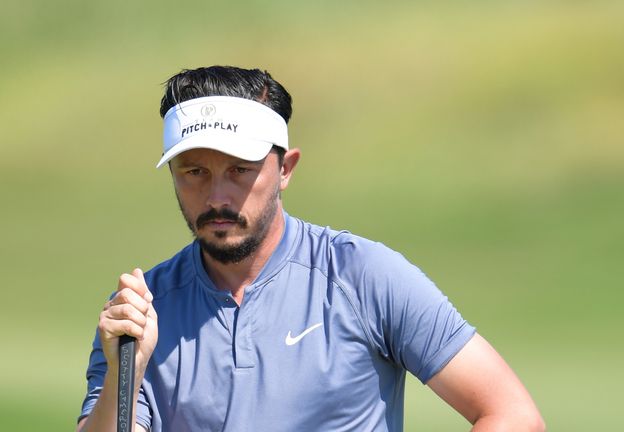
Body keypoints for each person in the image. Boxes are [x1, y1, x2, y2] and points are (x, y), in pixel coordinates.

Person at [76, 66, 544, 432]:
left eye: (240, 169)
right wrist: (126, 373)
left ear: (285, 169)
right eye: (194, 171)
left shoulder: (362, 276)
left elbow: (512, 414)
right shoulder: (139, 312)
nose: (217, 196)